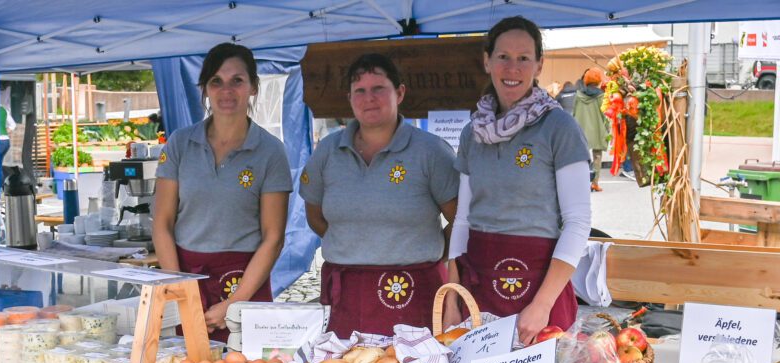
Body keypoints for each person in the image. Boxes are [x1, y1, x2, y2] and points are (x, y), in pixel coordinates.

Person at [444, 16, 592, 345]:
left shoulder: (559, 128)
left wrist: (542, 304)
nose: (513, 68)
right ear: (487, 61)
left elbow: (578, 222)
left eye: (524, 58)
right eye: (503, 57)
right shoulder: (472, 132)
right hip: (478, 288)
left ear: (539, 65)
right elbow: (463, 218)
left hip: (538, 287)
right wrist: (453, 294)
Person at [301, 53, 459, 338]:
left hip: (415, 292)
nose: (368, 98)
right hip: (347, 293)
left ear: (399, 92)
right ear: (349, 97)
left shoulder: (431, 152)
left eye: (378, 89)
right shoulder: (327, 151)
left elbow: (461, 221)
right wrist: (357, 243)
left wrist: (425, 250)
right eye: (359, 90)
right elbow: (315, 216)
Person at [154, 43, 292, 342]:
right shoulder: (180, 144)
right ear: (204, 89)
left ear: (253, 87)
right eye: (216, 81)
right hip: (186, 279)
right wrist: (180, 289)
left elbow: (273, 237)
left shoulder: (270, 152)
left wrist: (234, 303)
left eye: (237, 81)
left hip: (246, 283)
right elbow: (162, 225)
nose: (226, 90)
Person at [573, 67, 608, 192]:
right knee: (597, 156)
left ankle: (581, 182)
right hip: (597, 130)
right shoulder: (601, 96)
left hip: (580, 129)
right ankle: (594, 183)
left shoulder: (578, 95)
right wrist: (607, 130)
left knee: (582, 157)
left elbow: (574, 112)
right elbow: (605, 114)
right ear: (598, 80)